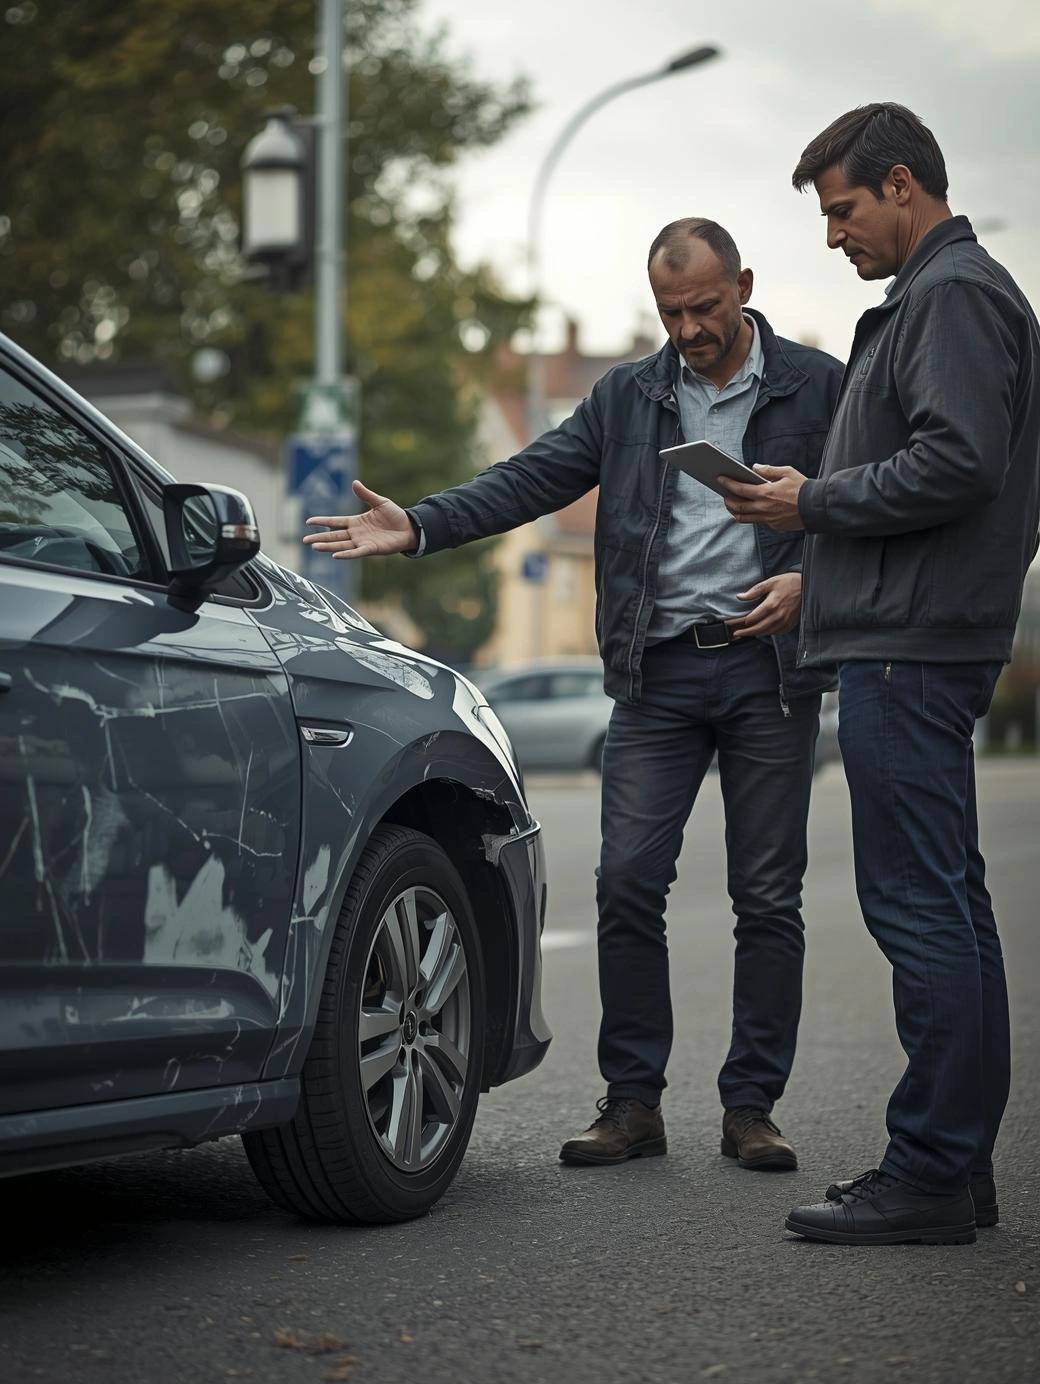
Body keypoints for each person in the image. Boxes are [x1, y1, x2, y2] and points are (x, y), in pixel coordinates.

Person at [304, 219, 842, 1172]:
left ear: (745, 286)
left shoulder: (820, 385)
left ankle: (752, 1107)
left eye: (707, 308)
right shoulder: (629, 396)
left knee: (767, 896)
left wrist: (814, 581)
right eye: (672, 312)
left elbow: (860, 506)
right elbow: (527, 480)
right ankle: (632, 1103)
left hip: (771, 670)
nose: (689, 330)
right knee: (626, 880)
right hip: (657, 671)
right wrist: (419, 527)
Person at [721, 104, 1040, 1244]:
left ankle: (928, 1172)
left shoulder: (950, 295)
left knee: (919, 910)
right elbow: (961, 488)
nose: (831, 236)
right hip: (907, 628)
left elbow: (958, 460)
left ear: (901, 185)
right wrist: (822, 575)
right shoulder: (950, 295)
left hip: (909, 653)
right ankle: (952, 1169)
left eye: (842, 210)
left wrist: (808, 502)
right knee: (948, 907)